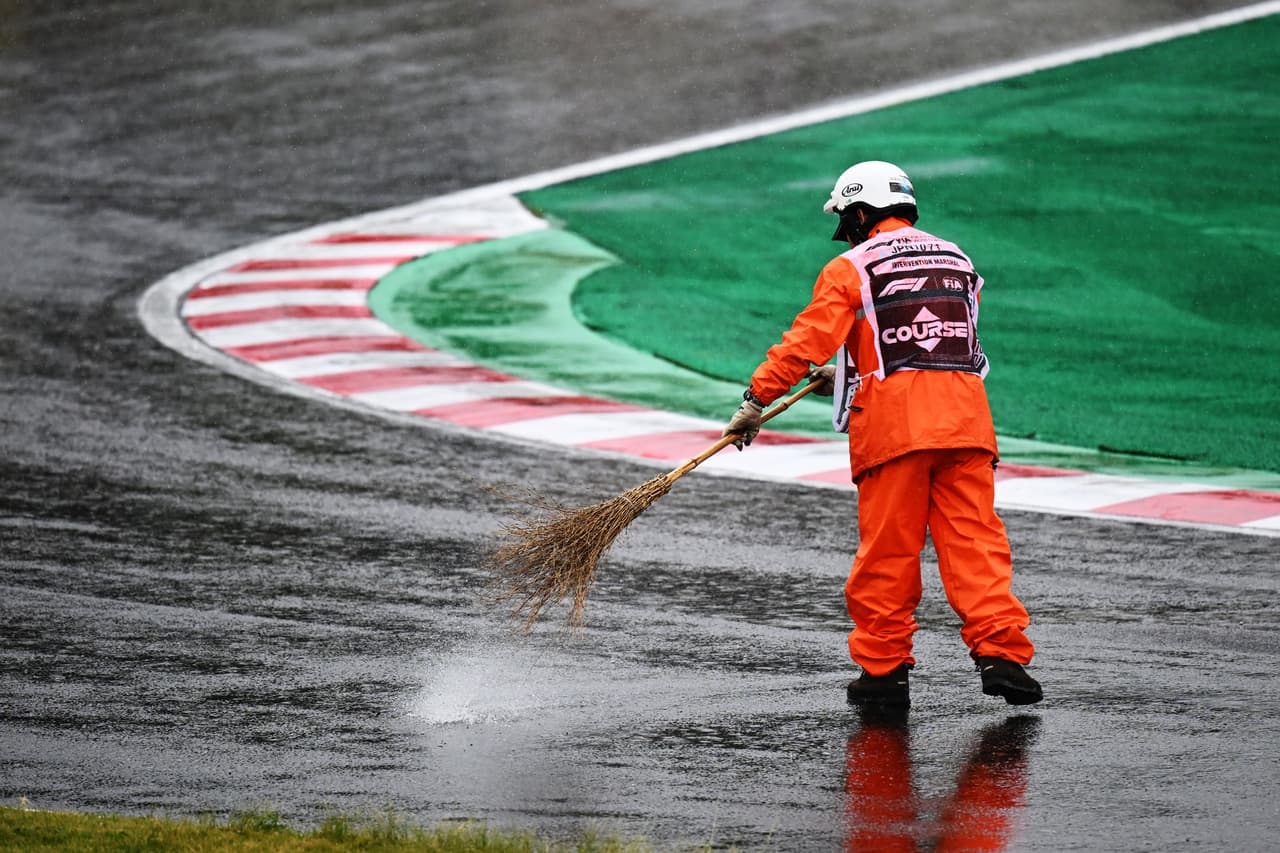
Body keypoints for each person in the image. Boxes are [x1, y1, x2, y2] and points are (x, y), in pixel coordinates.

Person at [723, 160, 1042, 707]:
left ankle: (884, 673)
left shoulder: (851, 267)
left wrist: (756, 400)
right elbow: (932, 335)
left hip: (896, 430)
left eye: (845, 220)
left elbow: (807, 341)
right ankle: (1002, 658)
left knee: (888, 555)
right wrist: (847, 373)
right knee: (977, 546)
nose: (844, 232)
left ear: (860, 212)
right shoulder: (958, 259)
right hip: (966, 423)